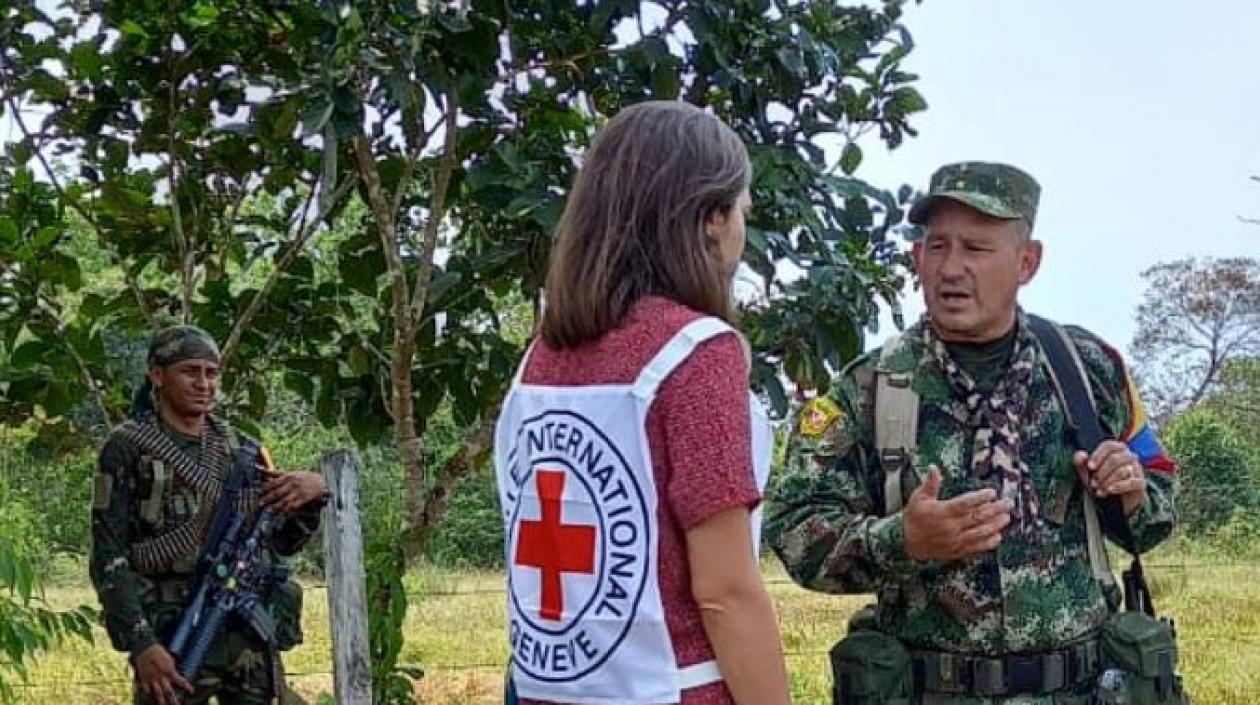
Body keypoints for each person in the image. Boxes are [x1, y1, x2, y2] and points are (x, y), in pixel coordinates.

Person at [766, 162, 1178, 704]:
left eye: (976, 249)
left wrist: (1131, 493)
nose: (951, 268)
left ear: (1027, 262)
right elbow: (793, 527)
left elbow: (1158, 498)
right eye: (937, 247)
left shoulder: (1088, 370)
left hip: (1080, 690)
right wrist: (903, 540)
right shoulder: (869, 388)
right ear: (917, 258)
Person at [493, 100, 792, 705]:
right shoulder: (697, 351)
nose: (742, 231)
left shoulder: (542, 357)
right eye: (740, 211)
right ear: (710, 218)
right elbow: (725, 593)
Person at [90, 325, 329, 705]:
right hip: (175, 637)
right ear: (157, 375)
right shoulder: (127, 447)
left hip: (244, 634)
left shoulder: (242, 449)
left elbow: (283, 541)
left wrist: (313, 492)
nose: (204, 383)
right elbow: (108, 555)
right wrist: (141, 645)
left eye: (211, 373)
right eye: (190, 371)